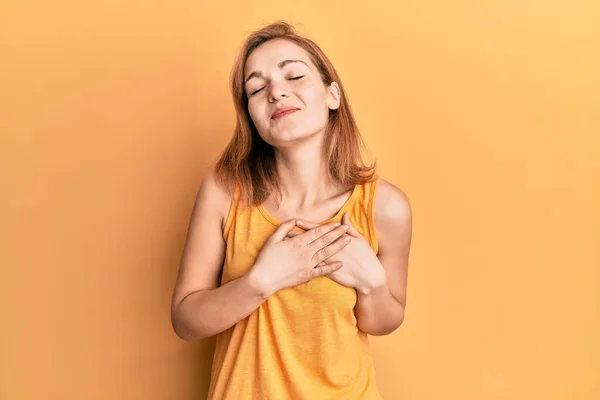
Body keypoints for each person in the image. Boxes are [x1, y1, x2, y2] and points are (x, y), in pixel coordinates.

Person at [170, 20, 412, 400]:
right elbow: (185, 321)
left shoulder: (386, 207)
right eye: (256, 87)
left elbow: (381, 321)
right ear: (251, 115)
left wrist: (373, 283)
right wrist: (261, 281)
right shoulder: (223, 191)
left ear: (332, 95)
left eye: (294, 76)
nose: (276, 93)